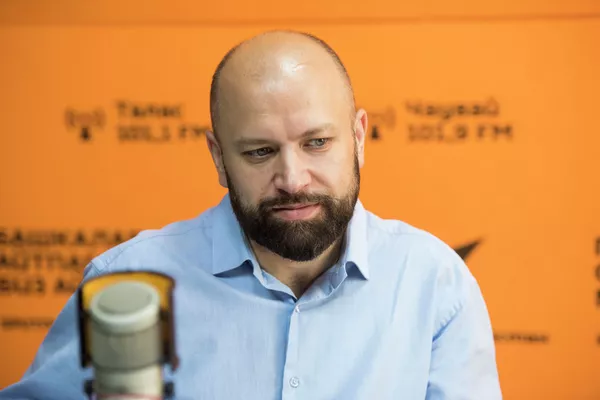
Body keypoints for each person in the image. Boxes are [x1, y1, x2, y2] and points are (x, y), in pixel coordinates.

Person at [0, 30, 502, 399]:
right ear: (219, 158)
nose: (293, 179)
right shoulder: (128, 284)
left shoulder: (434, 285)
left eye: (317, 143)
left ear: (358, 137)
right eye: (260, 152)